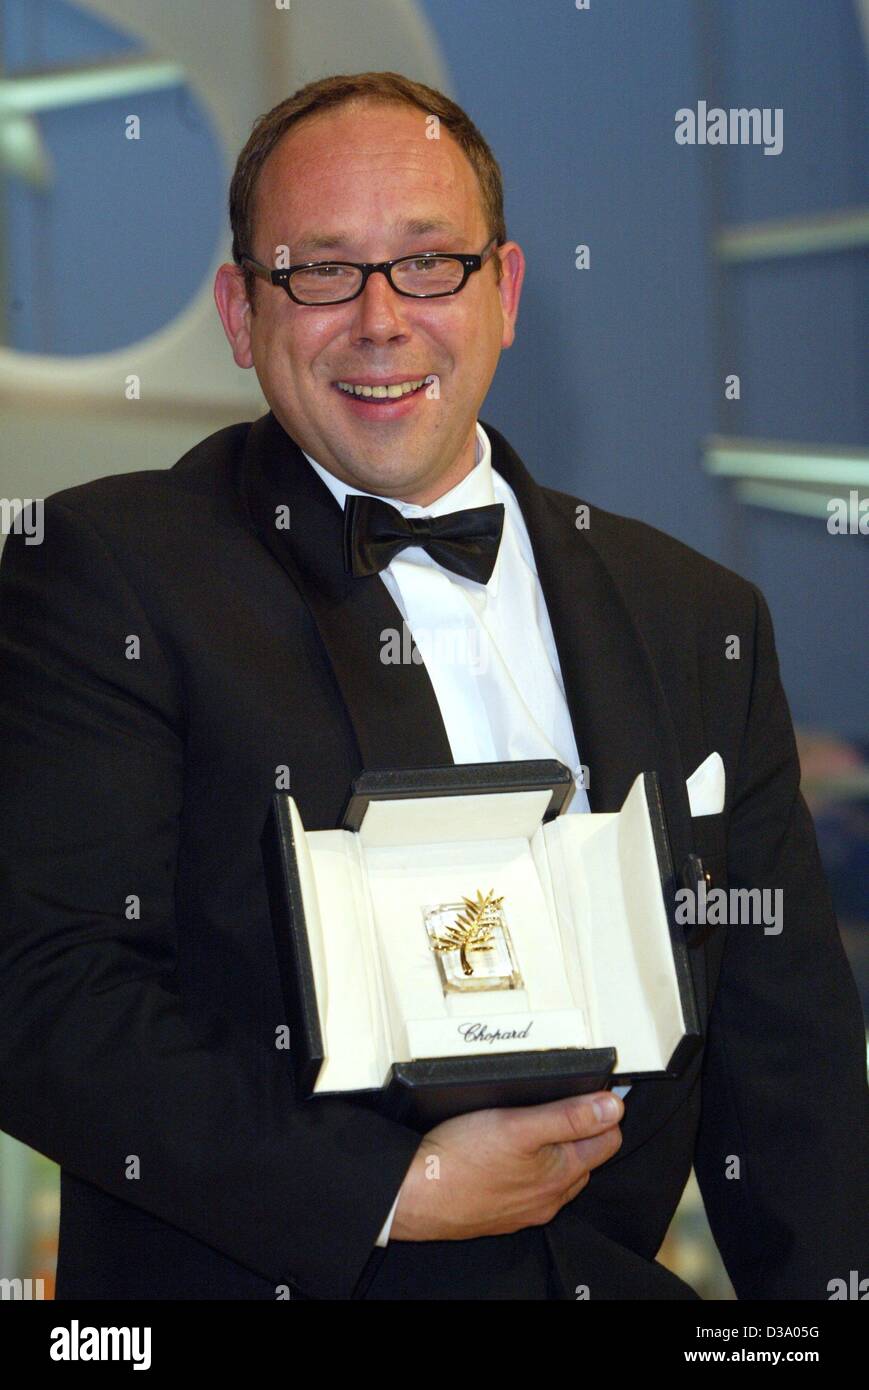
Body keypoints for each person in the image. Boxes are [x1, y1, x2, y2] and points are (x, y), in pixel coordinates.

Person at [0, 71, 865, 1302]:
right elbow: (43, 989)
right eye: (316, 270)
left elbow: (796, 1088)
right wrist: (387, 1191)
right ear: (241, 316)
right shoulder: (109, 572)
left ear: (501, 291)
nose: (378, 318)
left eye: (426, 264)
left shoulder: (696, 617)